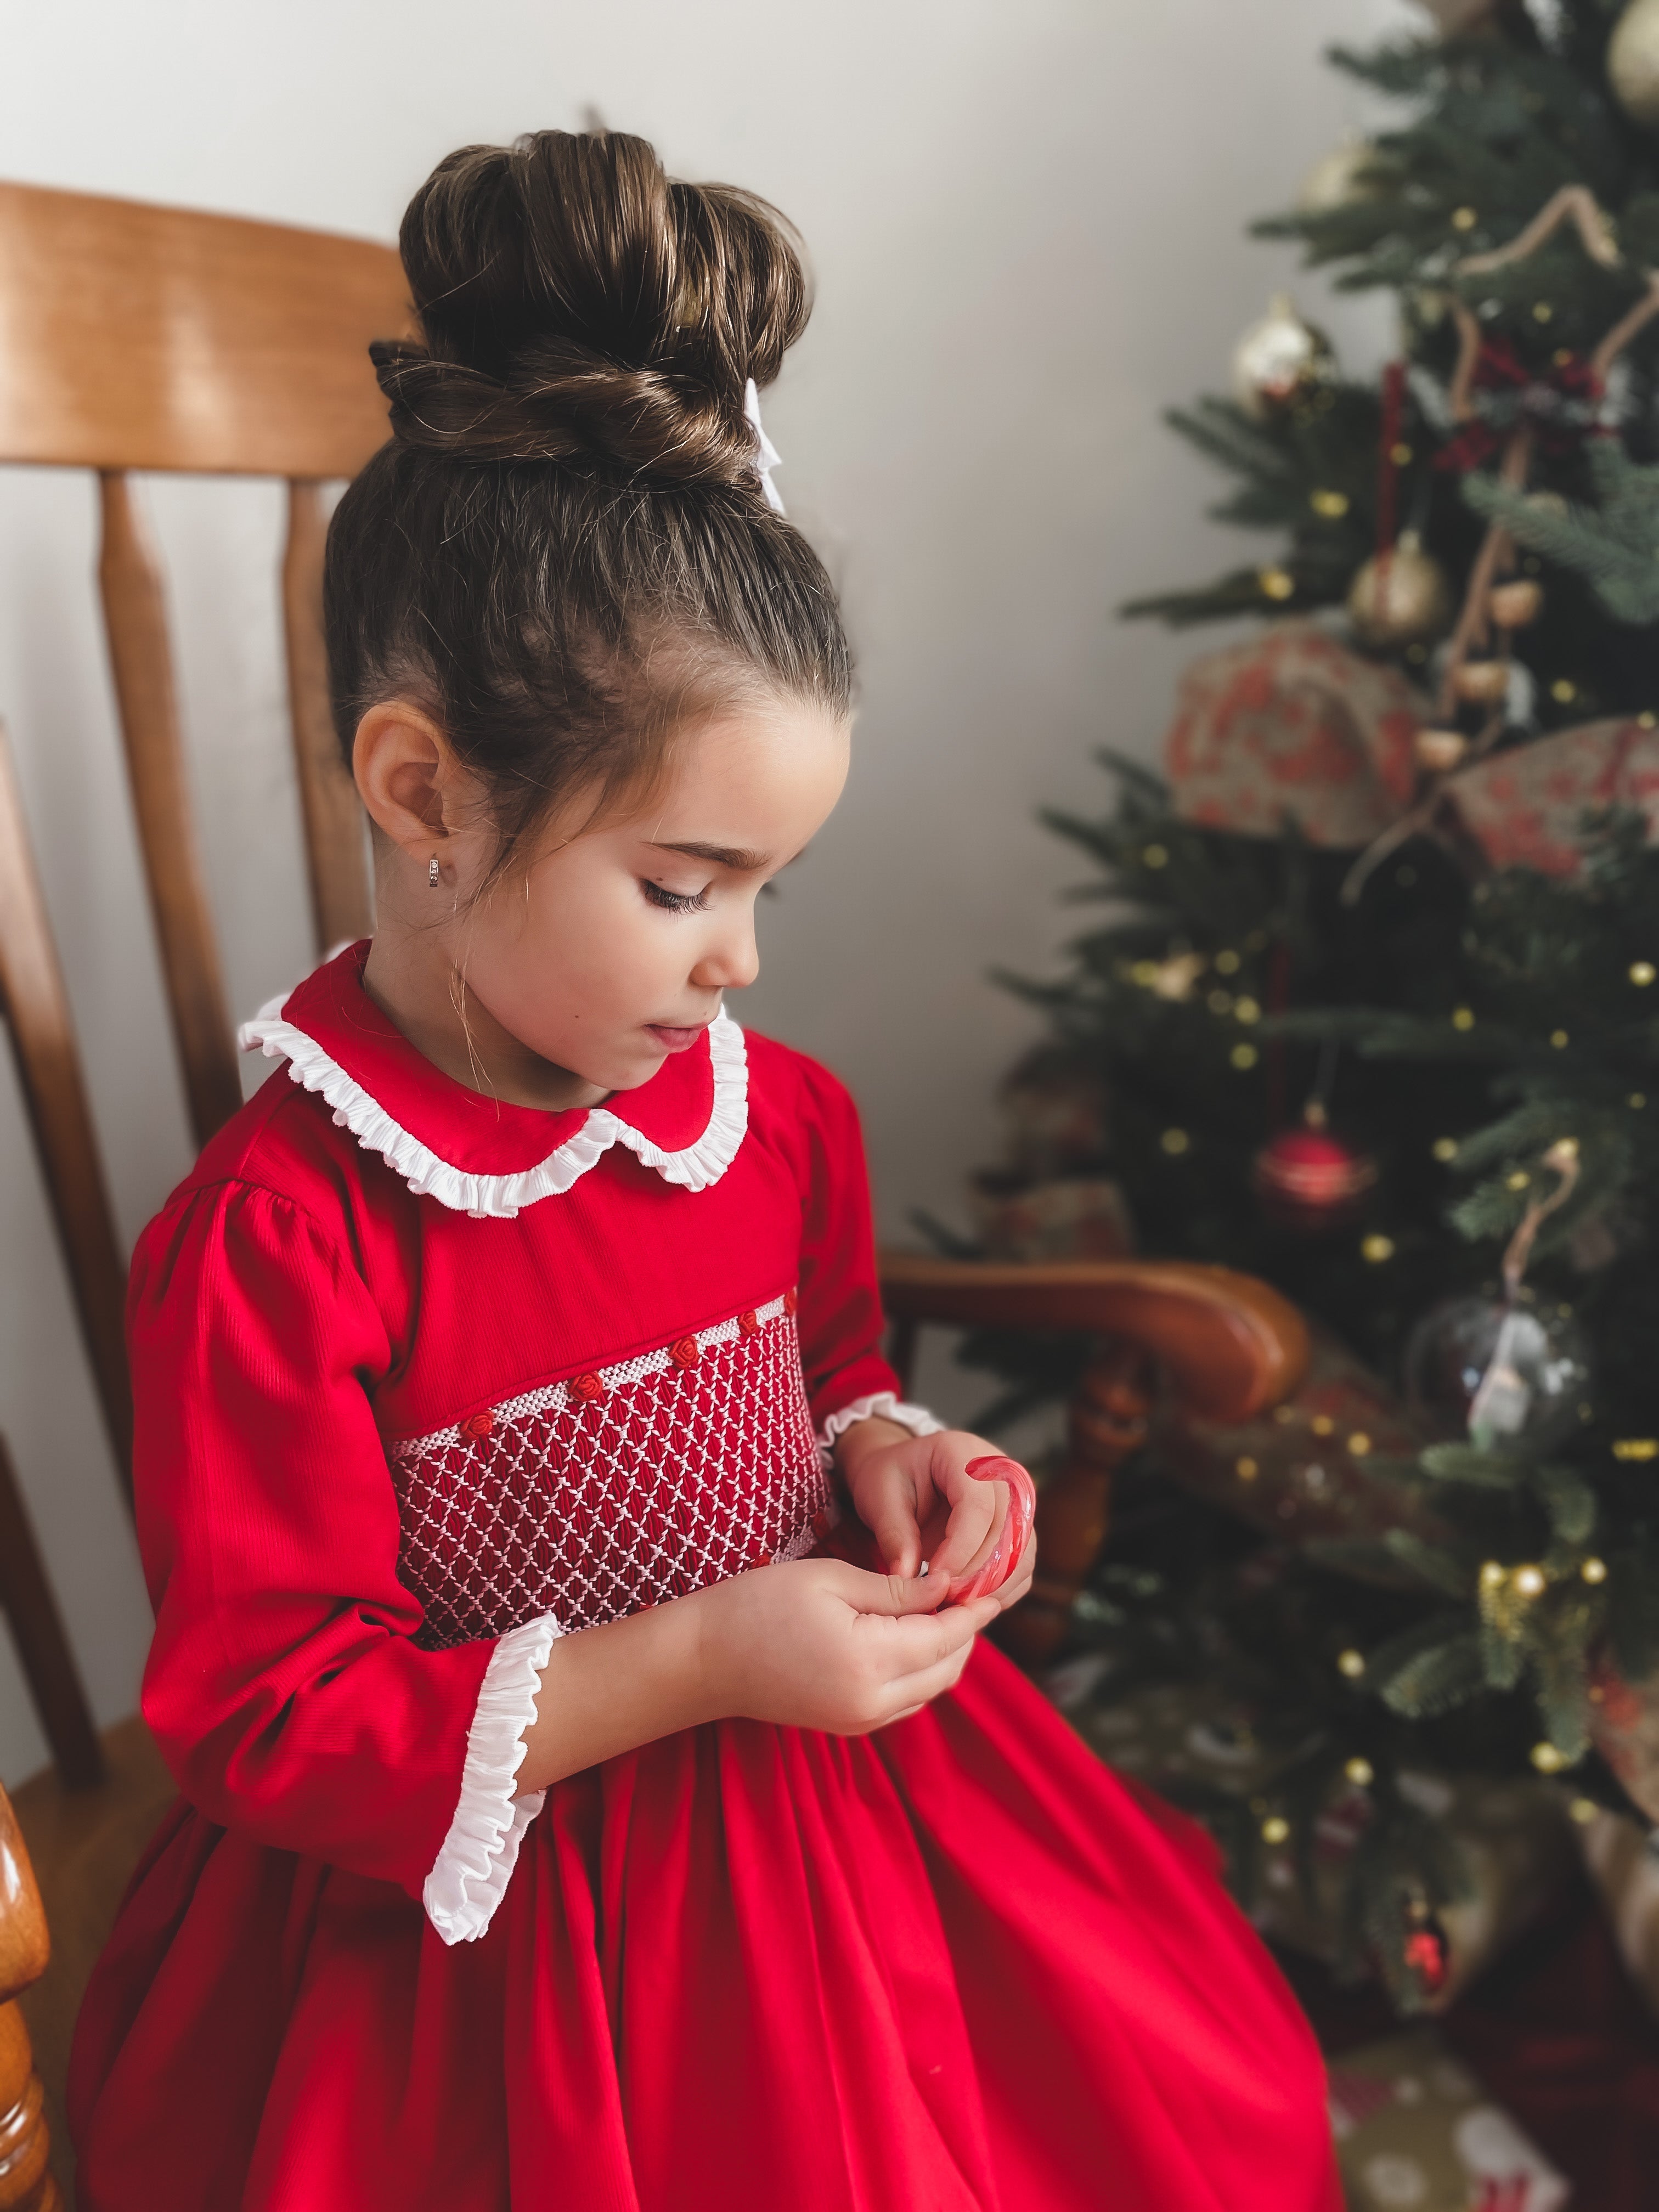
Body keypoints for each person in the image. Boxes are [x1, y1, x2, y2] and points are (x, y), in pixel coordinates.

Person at [69, 129, 1339, 2211]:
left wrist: (891, 1456)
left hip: (840, 1818)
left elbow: (828, 1360)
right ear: (427, 793)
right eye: (683, 884)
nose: (742, 958)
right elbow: (269, 1717)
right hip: (499, 1936)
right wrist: (701, 1660)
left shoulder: (766, 1112)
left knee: (1184, 2106)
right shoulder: (275, 1243)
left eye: (773, 884)